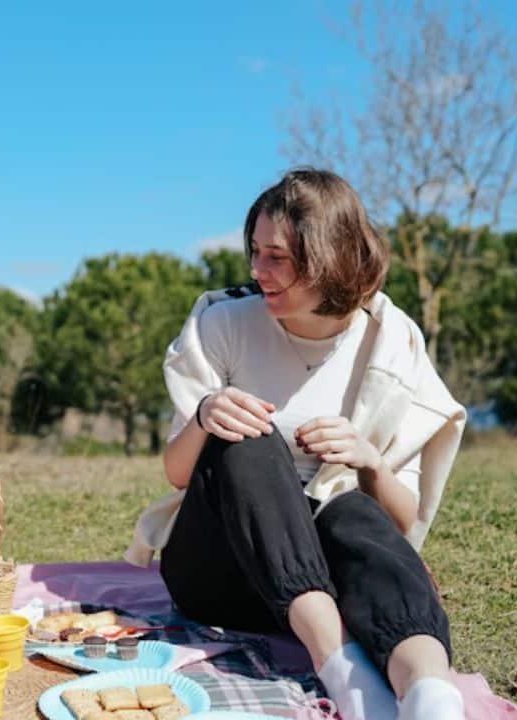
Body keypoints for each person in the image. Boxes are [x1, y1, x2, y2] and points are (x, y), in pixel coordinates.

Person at [126, 169, 468, 720]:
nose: (258, 271)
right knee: (247, 438)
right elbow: (178, 473)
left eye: (277, 257)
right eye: (255, 253)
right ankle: (344, 671)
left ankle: (430, 693)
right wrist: (205, 416)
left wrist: (370, 460)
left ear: (330, 256)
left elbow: (402, 522)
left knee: (352, 509)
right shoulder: (224, 324)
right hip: (223, 572)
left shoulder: (392, 344)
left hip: (337, 577)